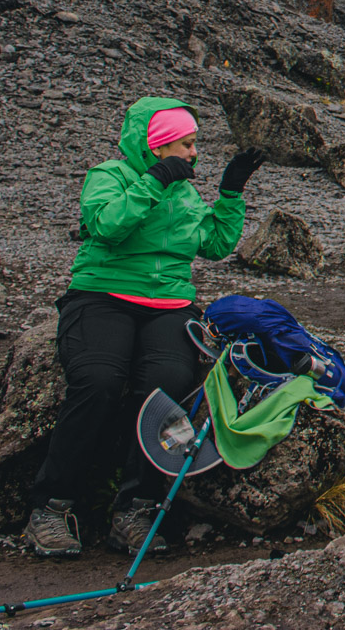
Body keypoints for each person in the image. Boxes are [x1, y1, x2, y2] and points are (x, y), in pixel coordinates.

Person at [23, 98, 265, 558]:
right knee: (98, 379)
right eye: (186, 144)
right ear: (157, 146)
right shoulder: (109, 176)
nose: (194, 153)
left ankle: (137, 508)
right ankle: (51, 507)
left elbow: (215, 245)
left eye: (195, 143)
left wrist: (231, 194)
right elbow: (106, 226)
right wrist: (154, 181)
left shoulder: (185, 193)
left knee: (168, 384)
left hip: (170, 303)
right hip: (102, 294)